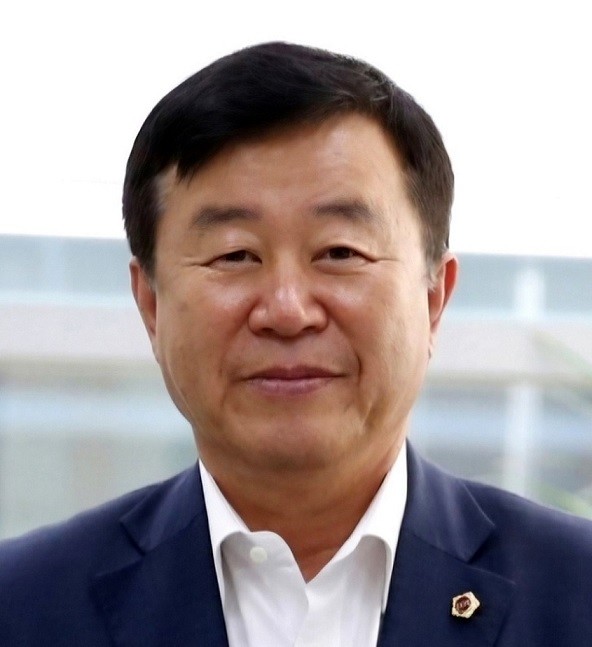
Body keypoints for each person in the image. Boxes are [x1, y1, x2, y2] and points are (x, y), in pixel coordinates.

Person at [1, 41, 591, 647]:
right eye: (235, 255)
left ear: (433, 296)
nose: (287, 311)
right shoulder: (22, 606)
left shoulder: (576, 591)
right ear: (151, 304)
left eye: (339, 252)